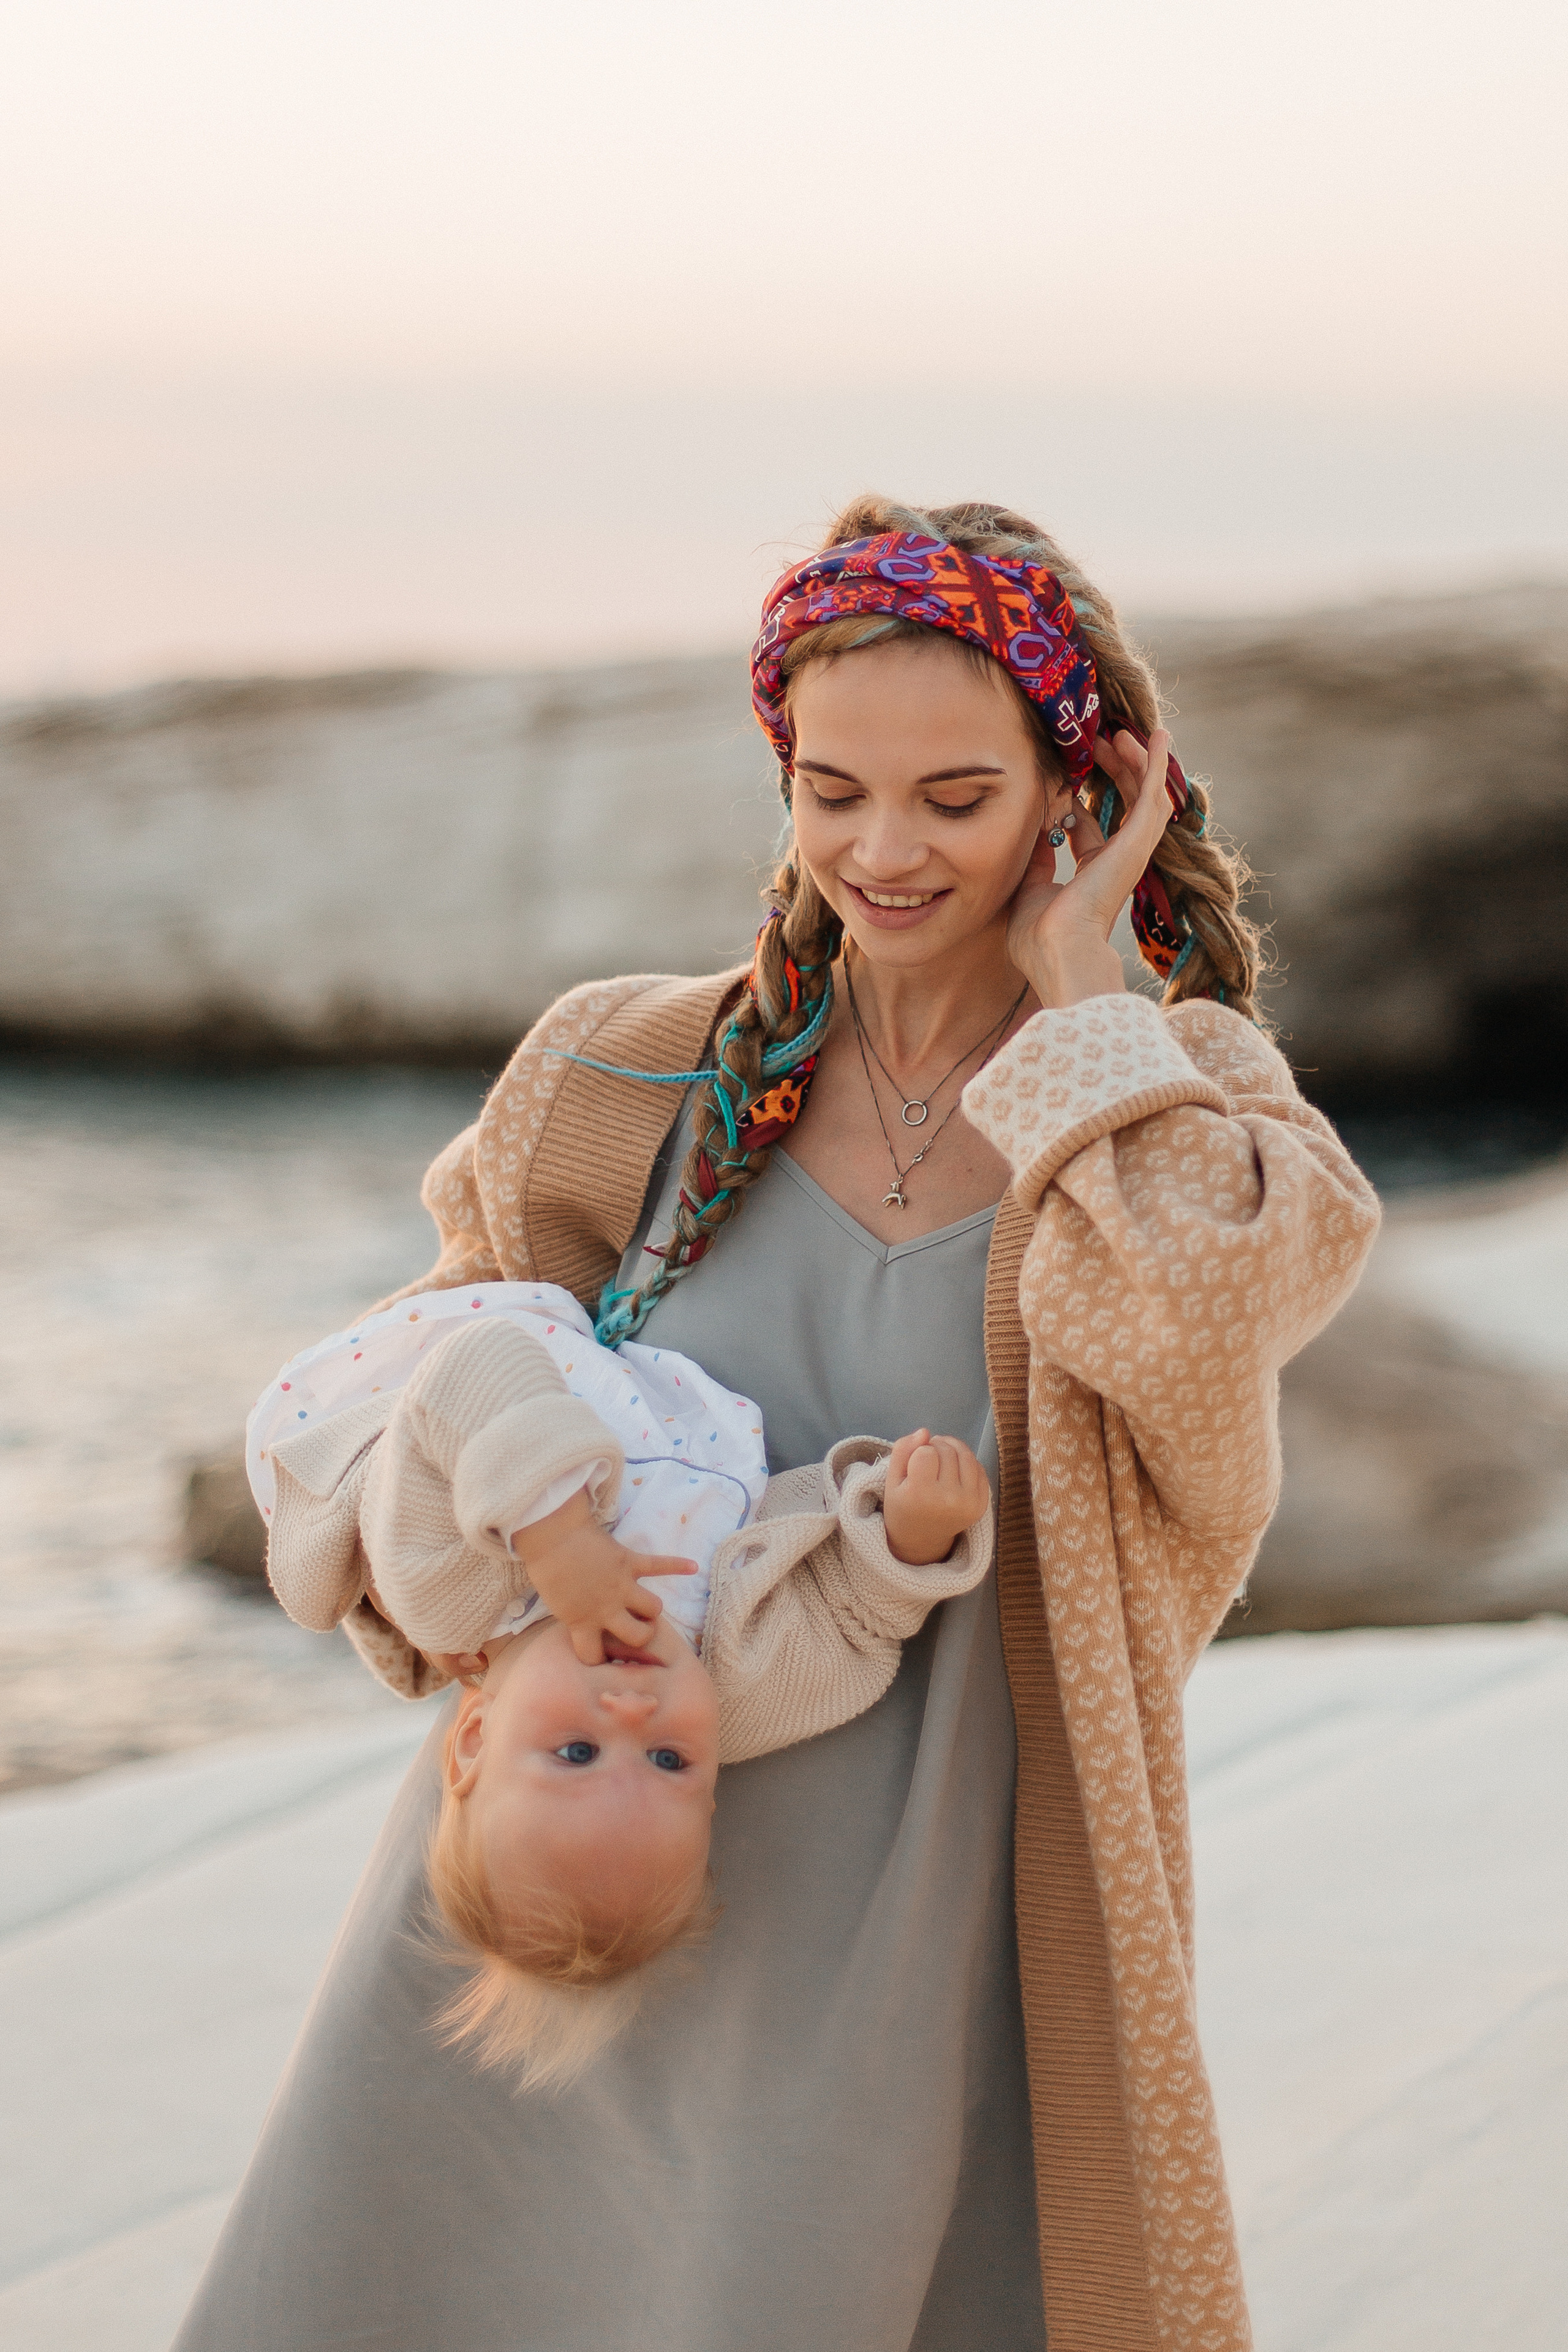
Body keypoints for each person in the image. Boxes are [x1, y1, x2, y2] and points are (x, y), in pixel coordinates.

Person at [175, 499, 1379, 2352]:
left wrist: (1083, 1004)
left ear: (1084, 790)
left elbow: (1194, 1333)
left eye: (957, 800)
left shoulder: (1185, 1104)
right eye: (834, 792)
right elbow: (410, 1408)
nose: (882, 854)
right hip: (566, 1883)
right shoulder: (621, 1077)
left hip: (917, 1945)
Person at [249, 1280, 992, 2088]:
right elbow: (851, 1620)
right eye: (671, 1763)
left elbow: (469, 1370)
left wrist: (555, 1537)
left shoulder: (450, 1587)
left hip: (495, 1346)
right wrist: (911, 1539)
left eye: (576, 1751)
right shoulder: (736, 1684)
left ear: (472, 1739)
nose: (635, 1712)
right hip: (662, 1368)